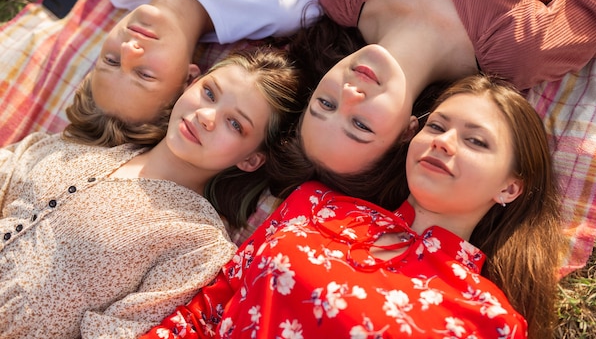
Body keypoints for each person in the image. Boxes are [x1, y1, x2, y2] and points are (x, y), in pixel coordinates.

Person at [138, 74, 565, 339]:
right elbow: (204, 311)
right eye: (437, 125)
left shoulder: (489, 319)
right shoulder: (315, 204)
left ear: (510, 187)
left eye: (475, 141)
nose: (443, 141)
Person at [0, 48, 302, 339]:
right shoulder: (96, 139)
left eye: (234, 124)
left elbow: (119, 332)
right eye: (209, 93)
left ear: (250, 159)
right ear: (192, 84)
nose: (207, 116)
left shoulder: (198, 244)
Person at [302, 0, 596, 176]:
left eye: (326, 103)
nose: (350, 95)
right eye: (360, 124)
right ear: (407, 133)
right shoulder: (515, 50)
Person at [70, 0, 324, 144]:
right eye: (144, 74)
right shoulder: (279, 8)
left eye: (111, 61)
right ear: (190, 79)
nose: (128, 49)